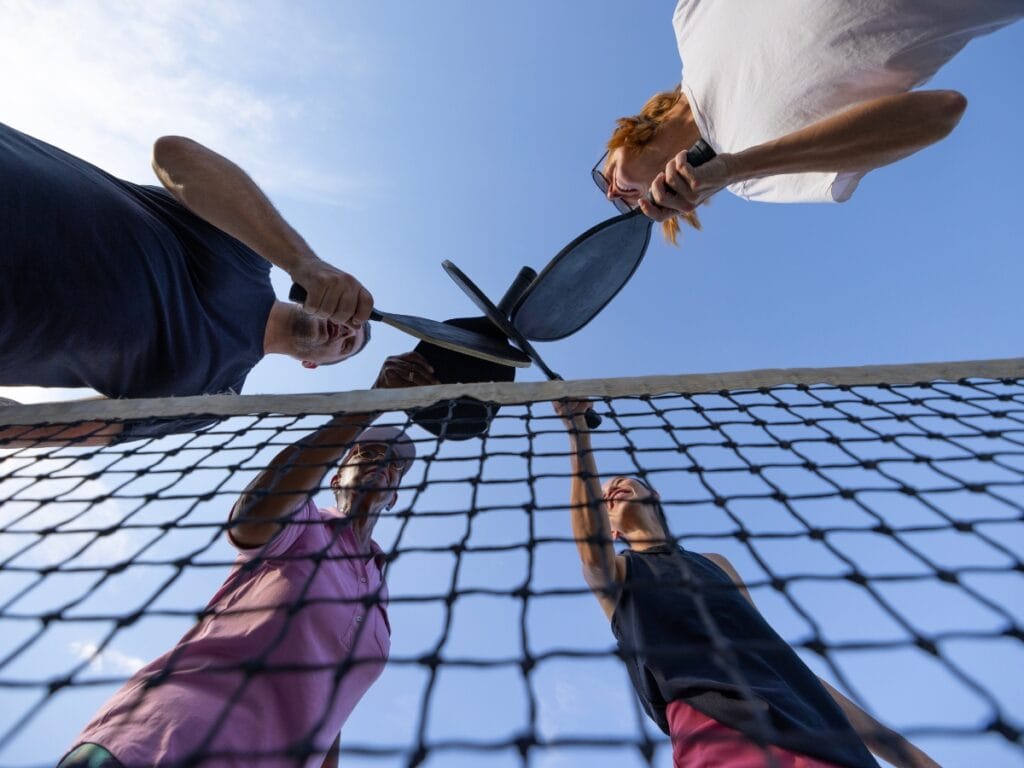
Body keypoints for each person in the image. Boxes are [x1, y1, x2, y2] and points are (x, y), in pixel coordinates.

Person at [56, 352, 438, 768]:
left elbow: (330, 709)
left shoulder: (380, 600)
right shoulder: (304, 522)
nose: (382, 462)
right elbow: (254, 515)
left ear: (395, 494)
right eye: (366, 453)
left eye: (394, 463)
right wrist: (371, 403)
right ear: (336, 476)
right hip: (164, 739)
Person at [552, 399, 942, 768]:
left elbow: (776, 658)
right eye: (602, 498)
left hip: (824, 740)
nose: (611, 489)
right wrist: (578, 433)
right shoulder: (620, 573)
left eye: (622, 481)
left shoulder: (715, 564)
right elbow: (593, 559)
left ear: (655, 495)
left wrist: (911, 757)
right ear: (612, 531)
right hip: (722, 734)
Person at [0, 122, 375, 445]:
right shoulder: (251, 249)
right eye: (353, 323)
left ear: (311, 364)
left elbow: (103, 424)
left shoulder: (218, 398)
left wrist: (11, 429)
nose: (343, 332)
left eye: (347, 346)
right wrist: (304, 263)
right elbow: (173, 154)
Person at [596, 1, 1023, 244]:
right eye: (621, 203)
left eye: (603, 178)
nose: (613, 192)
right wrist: (735, 167)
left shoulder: (690, 20)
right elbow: (941, 111)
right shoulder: (754, 180)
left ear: (622, 133)